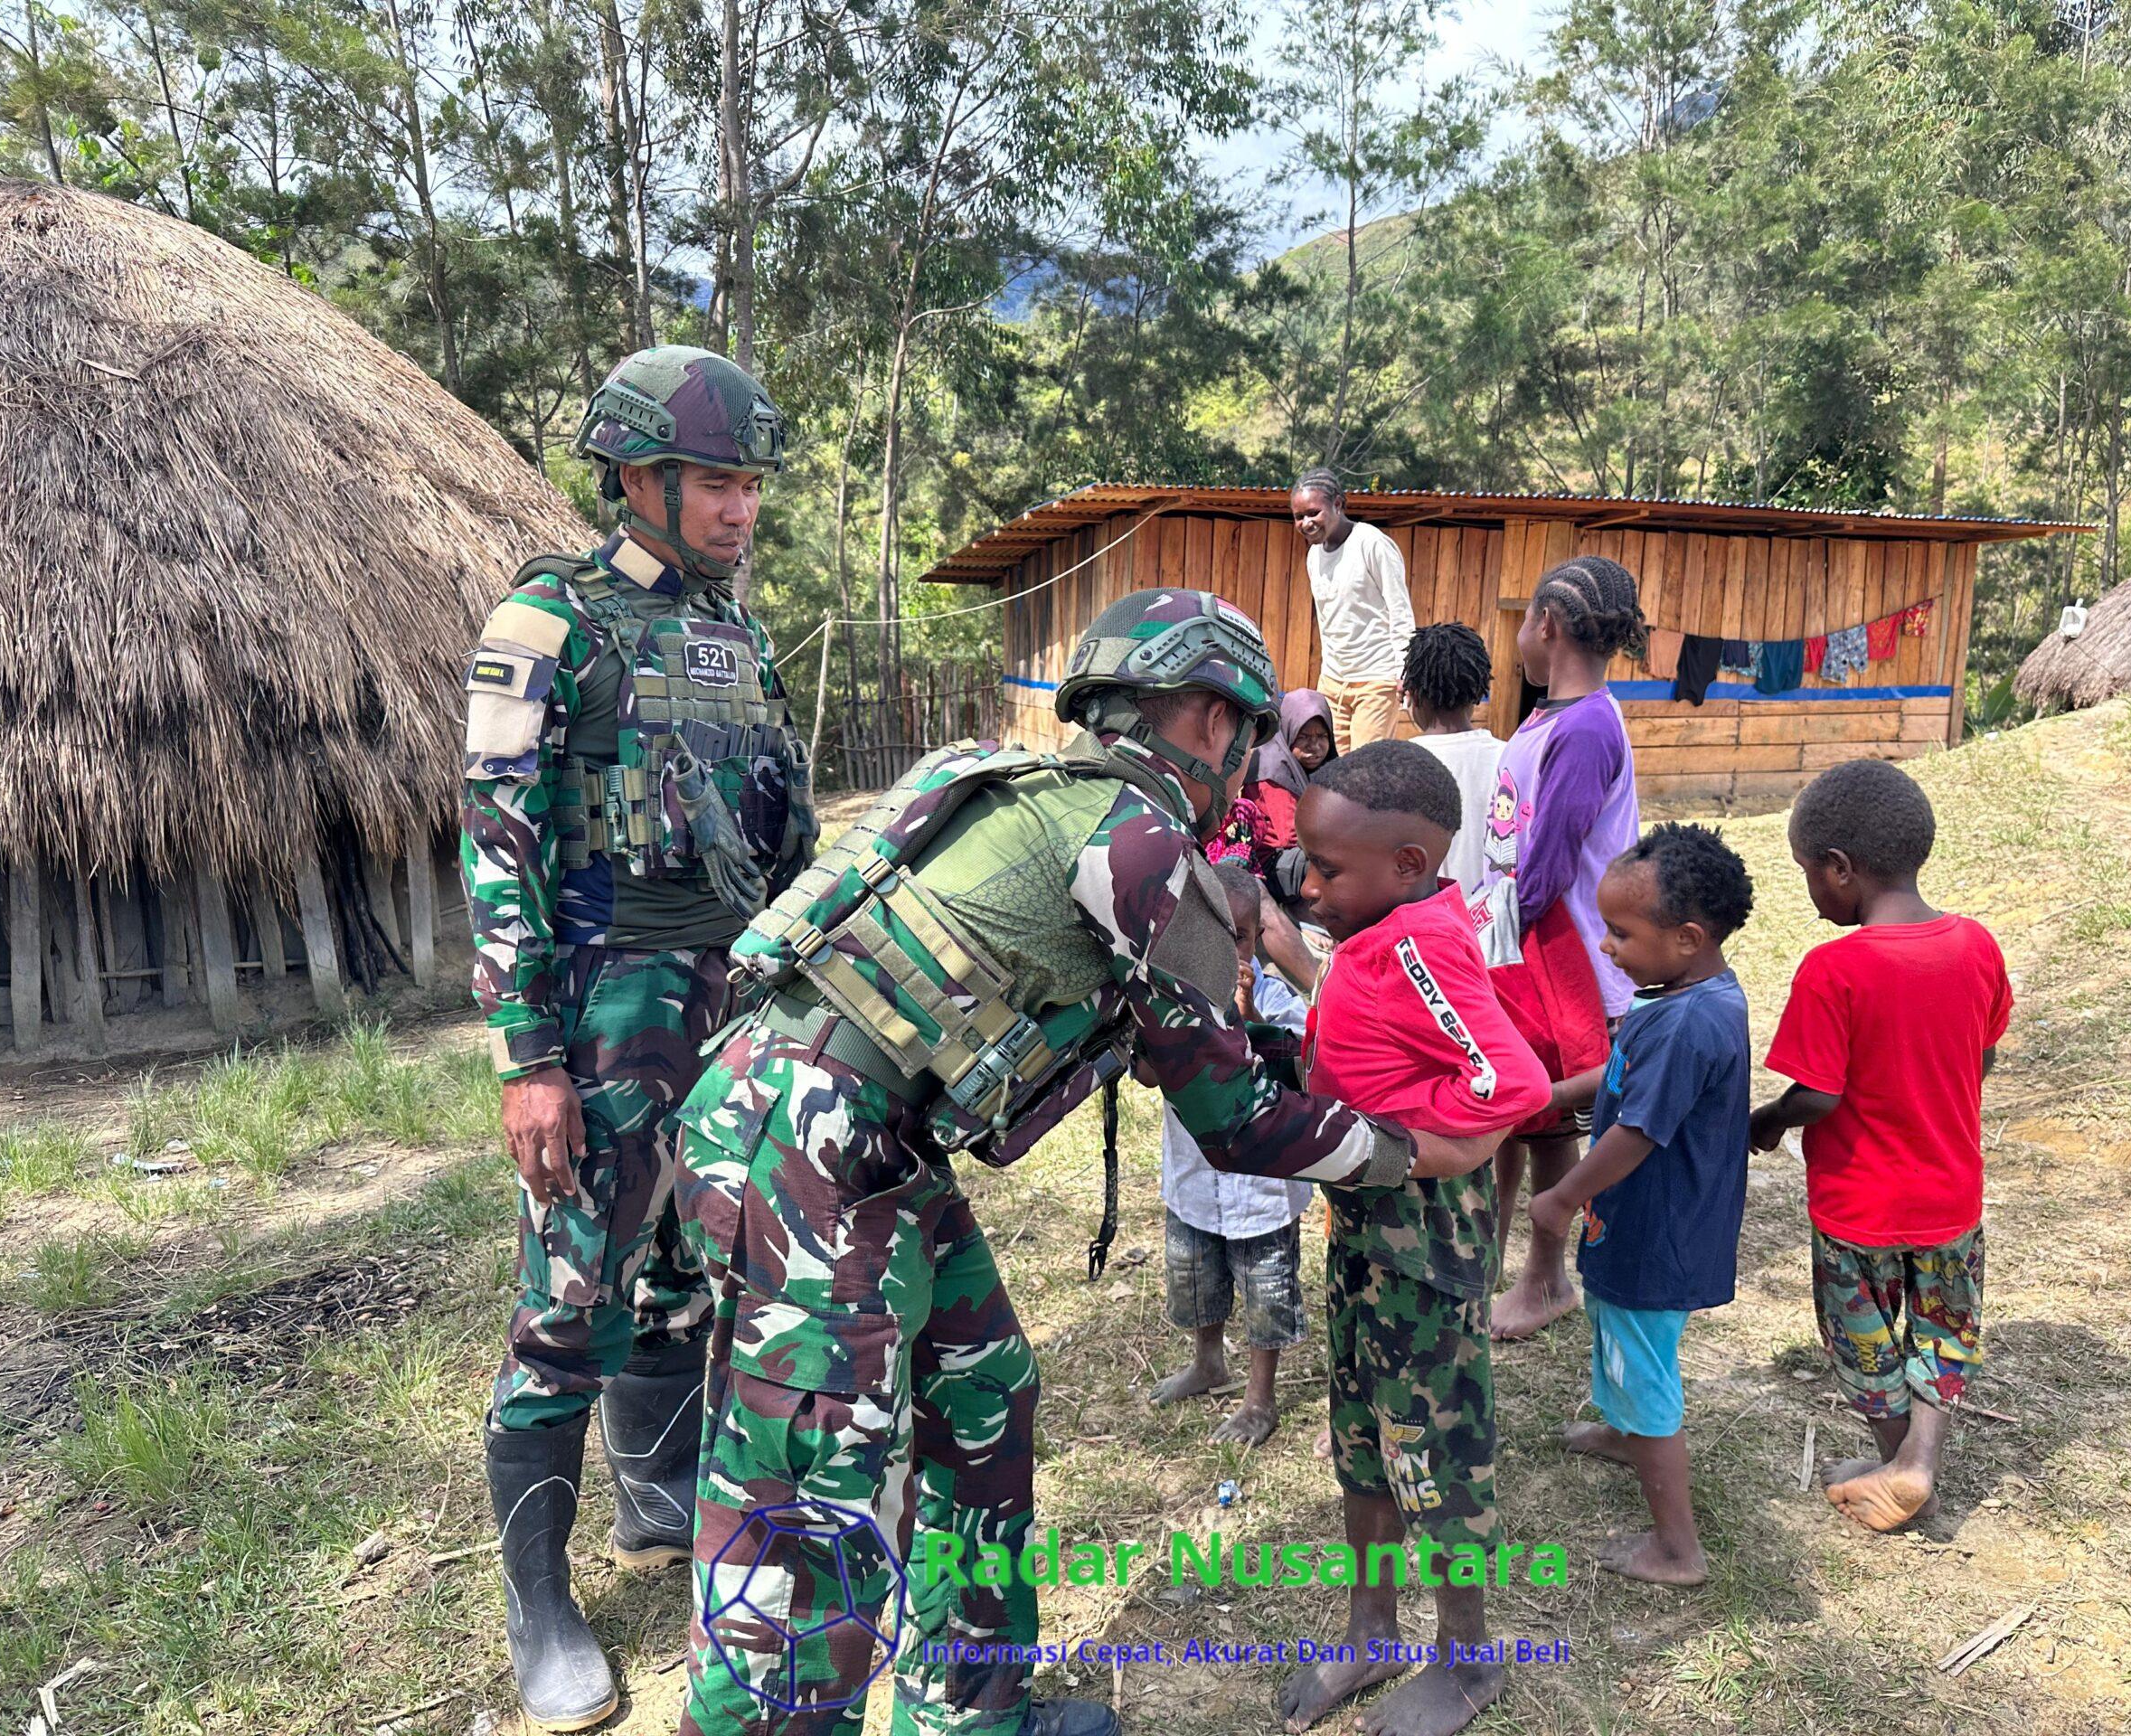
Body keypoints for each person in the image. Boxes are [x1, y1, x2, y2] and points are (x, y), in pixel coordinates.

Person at [669, 590, 1496, 1736]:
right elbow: (1239, 1122)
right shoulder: (1140, 842)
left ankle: (972, 1710)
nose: (1247, 771)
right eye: (1249, 736)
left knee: (981, 1390)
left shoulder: (1026, 785)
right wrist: (1403, 1149)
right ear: (1213, 719)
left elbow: (1175, 1045)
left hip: (850, 1135)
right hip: (806, 1148)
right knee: (810, 1499)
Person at [461, 344, 817, 1731]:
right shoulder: (546, 621)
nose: (741, 508)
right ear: (636, 478)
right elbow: (498, 846)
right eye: (716, 482)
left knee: (683, 1269)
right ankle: (538, 1604)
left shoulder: (741, 635)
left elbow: (782, 830)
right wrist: (527, 1057)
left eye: (750, 484)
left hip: (732, 998)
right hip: (605, 1005)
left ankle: (657, 1496)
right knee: (571, 1296)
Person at [1274, 740, 1551, 1736]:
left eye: (1326, 869)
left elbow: (1510, 1083)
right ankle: (1373, 1630)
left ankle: (1469, 1661)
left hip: (1419, 1241)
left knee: (1436, 1448)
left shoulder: (1420, 946)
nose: (1308, 886)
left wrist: (1415, 1143)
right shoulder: (1377, 932)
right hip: (1363, 1228)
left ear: (1407, 864)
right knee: (1363, 1434)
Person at [1750, 760, 2011, 1533]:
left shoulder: (1834, 969)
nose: (1811, 889)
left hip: (1858, 1204)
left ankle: (1897, 1462)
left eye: (1807, 872)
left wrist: (1769, 1118)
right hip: (1950, 1197)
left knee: (1863, 1338)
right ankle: (1919, 1464)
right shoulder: (1976, 945)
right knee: (1944, 1330)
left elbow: (1819, 1095)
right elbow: (1982, 1057)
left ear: (1840, 869)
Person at [1530, 824, 1754, 1587]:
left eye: (1621, 934)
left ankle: (1677, 1549)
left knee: (1643, 1367)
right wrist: (1557, 1092)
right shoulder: (1681, 995)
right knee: (1624, 1341)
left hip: (1657, 1233)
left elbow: (1637, 1130)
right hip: (1645, 1224)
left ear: (1687, 938)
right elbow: (1624, 1073)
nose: (1606, 947)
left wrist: (1562, 1195)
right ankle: (1628, 1435)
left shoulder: (1688, 1022)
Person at [1481, 555, 1645, 1342]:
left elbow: (1544, 865)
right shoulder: (1554, 717)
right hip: (1528, 945)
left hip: (1561, 955)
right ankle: (1516, 1263)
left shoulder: (1585, 729)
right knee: (1530, 1113)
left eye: (1523, 621)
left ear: (1546, 624)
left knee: (1549, 1120)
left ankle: (1545, 1280)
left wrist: (1485, 929)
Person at [1150, 862, 1314, 1446]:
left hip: (1261, 1186)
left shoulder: (1274, 996)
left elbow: (1293, 1066)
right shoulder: (1169, 998)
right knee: (1194, 1275)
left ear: (1257, 940)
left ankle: (1260, 1397)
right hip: (1193, 1177)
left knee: (1266, 1290)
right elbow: (1147, 1072)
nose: (1225, 950)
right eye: (1209, 934)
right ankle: (1208, 1362)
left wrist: (1245, 1017)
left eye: (1239, 937)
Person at [1291, 469, 1413, 753]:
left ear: (1337, 505)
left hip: (1376, 681)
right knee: (1333, 770)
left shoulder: (1371, 544)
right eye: (1299, 517)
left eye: (1313, 513)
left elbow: (1400, 611)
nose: (1306, 523)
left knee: (1364, 769)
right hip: (1333, 683)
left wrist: (1406, 670)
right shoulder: (1314, 555)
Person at [1399, 623, 1503, 886]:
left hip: (1428, 911)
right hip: (1496, 908)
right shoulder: (1510, 756)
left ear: (1414, 694)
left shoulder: (1399, 765)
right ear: (1478, 690)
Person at [1232, 687, 1336, 901]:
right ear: (1288, 731)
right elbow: (1289, 837)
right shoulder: (1273, 771)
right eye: (1304, 737)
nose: (1314, 746)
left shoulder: (1314, 767)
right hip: (1273, 865)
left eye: (1322, 736)